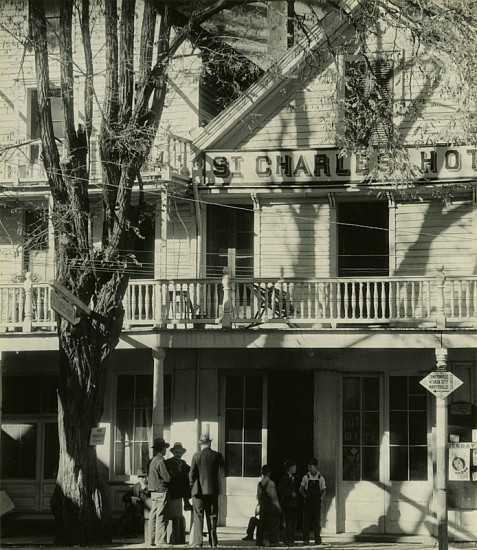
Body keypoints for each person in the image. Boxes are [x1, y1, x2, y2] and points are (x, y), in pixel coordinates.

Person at [189, 433, 224, 547]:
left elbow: (191, 474)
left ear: (201, 444)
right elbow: (223, 469)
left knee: (198, 516)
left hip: (198, 491)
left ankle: (198, 542)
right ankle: (213, 542)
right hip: (213, 491)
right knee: (212, 516)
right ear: (210, 443)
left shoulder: (196, 455)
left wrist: (191, 486)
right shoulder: (217, 455)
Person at [166, 442, 192, 544]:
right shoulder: (168, 462)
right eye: (176, 452)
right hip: (173, 487)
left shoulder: (183, 463)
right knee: (181, 477)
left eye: (180, 452)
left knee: (185, 479)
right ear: (173, 452)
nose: (178, 454)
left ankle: (186, 501)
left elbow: (190, 470)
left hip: (180, 488)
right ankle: (186, 502)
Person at [148, 437, 171, 547]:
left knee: (153, 515)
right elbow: (167, 478)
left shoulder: (153, 460)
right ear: (162, 449)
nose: (166, 450)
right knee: (162, 516)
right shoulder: (161, 460)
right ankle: (161, 541)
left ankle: (151, 539)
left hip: (153, 490)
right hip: (161, 490)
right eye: (165, 448)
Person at [300, 459, 326, 546]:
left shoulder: (320, 477)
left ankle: (317, 539)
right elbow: (301, 489)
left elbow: (324, 489)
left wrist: (320, 498)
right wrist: (305, 496)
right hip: (308, 501)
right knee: (306, 521)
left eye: (311, 467)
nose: (309, 468)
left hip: (316, 502)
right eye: (308, 467)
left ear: (315, 467)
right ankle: (305, 539)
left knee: (316, 521)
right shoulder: (306, 477)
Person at [256, 465, 282, 547]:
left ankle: (259, 541)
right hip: (271, 507)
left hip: (263, 506)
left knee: (261, 524)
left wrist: (260, 505)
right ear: (269, 473)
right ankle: (273, 541)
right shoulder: (271, 483)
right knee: (273, 524)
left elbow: (259, 496)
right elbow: (273, 496)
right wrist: (278, 506)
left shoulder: (259, 484)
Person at [121, 469, 148, 537]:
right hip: (136, 509)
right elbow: (124, 498)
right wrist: (131, 498)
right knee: (130, 511)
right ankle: (130, 532)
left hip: (147, 508)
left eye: (145, 477)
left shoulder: (150, 486)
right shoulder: (135, 487)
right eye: (141, 477)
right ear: (138, 478)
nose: (144, 479)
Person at [278, 459, 298, 546]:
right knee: (288, 522)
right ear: (290, 468)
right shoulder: (285, 478)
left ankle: (291, 539)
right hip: (287, 503)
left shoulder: (292, 477)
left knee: (293, 522)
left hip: (293, 504)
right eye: (294, 467)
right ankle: (288, 539)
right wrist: (291, 493)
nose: (296, 468)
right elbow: (281, 489)